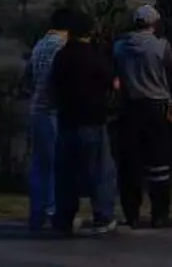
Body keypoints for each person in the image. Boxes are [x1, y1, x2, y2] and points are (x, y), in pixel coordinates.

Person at [112, 3, 172, 228]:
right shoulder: (161, 47)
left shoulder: (120, 46)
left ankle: (131, 212)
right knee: (159, 162)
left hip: (129, 107)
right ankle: (159, 214)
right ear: (155, 23)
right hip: (156, 108)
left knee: (130, 162)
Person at [49, 12, 119, 236]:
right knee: (100, 172)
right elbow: (114, 83)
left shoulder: (61, 56)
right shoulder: (95, 56)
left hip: (67, 120)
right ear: (90, 32)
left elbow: (53, 85)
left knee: (66, 175)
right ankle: (103, 217)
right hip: (93, 120)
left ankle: (64, 219)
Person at [24, 6, 75, 233]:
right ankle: (53, 211)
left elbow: (27, 78)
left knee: (40, 164)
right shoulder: (61, 47)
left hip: (36, 109)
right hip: (52, 109)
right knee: (56, 164)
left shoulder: (40, 45)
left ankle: (37, 213)